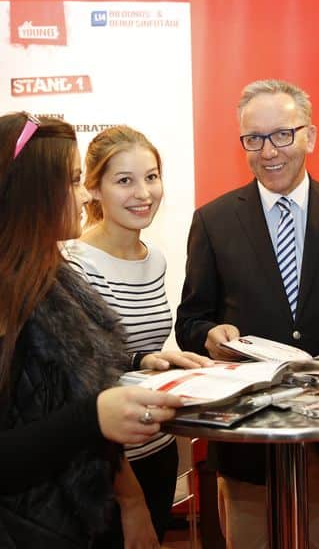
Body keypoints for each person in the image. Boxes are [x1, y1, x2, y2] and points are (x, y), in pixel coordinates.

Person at [0, 112, 183, 548]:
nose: (82, 196)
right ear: (30, 192)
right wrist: (93, 416)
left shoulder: (48, 277)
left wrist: (128, 500)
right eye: (73, 181)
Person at [175, 79, 319, 548]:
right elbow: (190, 322)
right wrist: (210, 335)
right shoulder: (213, 222)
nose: (268, 151)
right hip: (248, 441)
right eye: (253, 139)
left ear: (310, 136)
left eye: (282, 134)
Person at [61, 125, 213, 544]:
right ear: (93, 189)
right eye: (124, 181)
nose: (143, 193)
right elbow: (82, 381)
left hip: (158, 449)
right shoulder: (73, 263)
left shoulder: (156, 260)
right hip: (105, 463)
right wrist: (127, 496)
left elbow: (131, 355)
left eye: (151, 177)